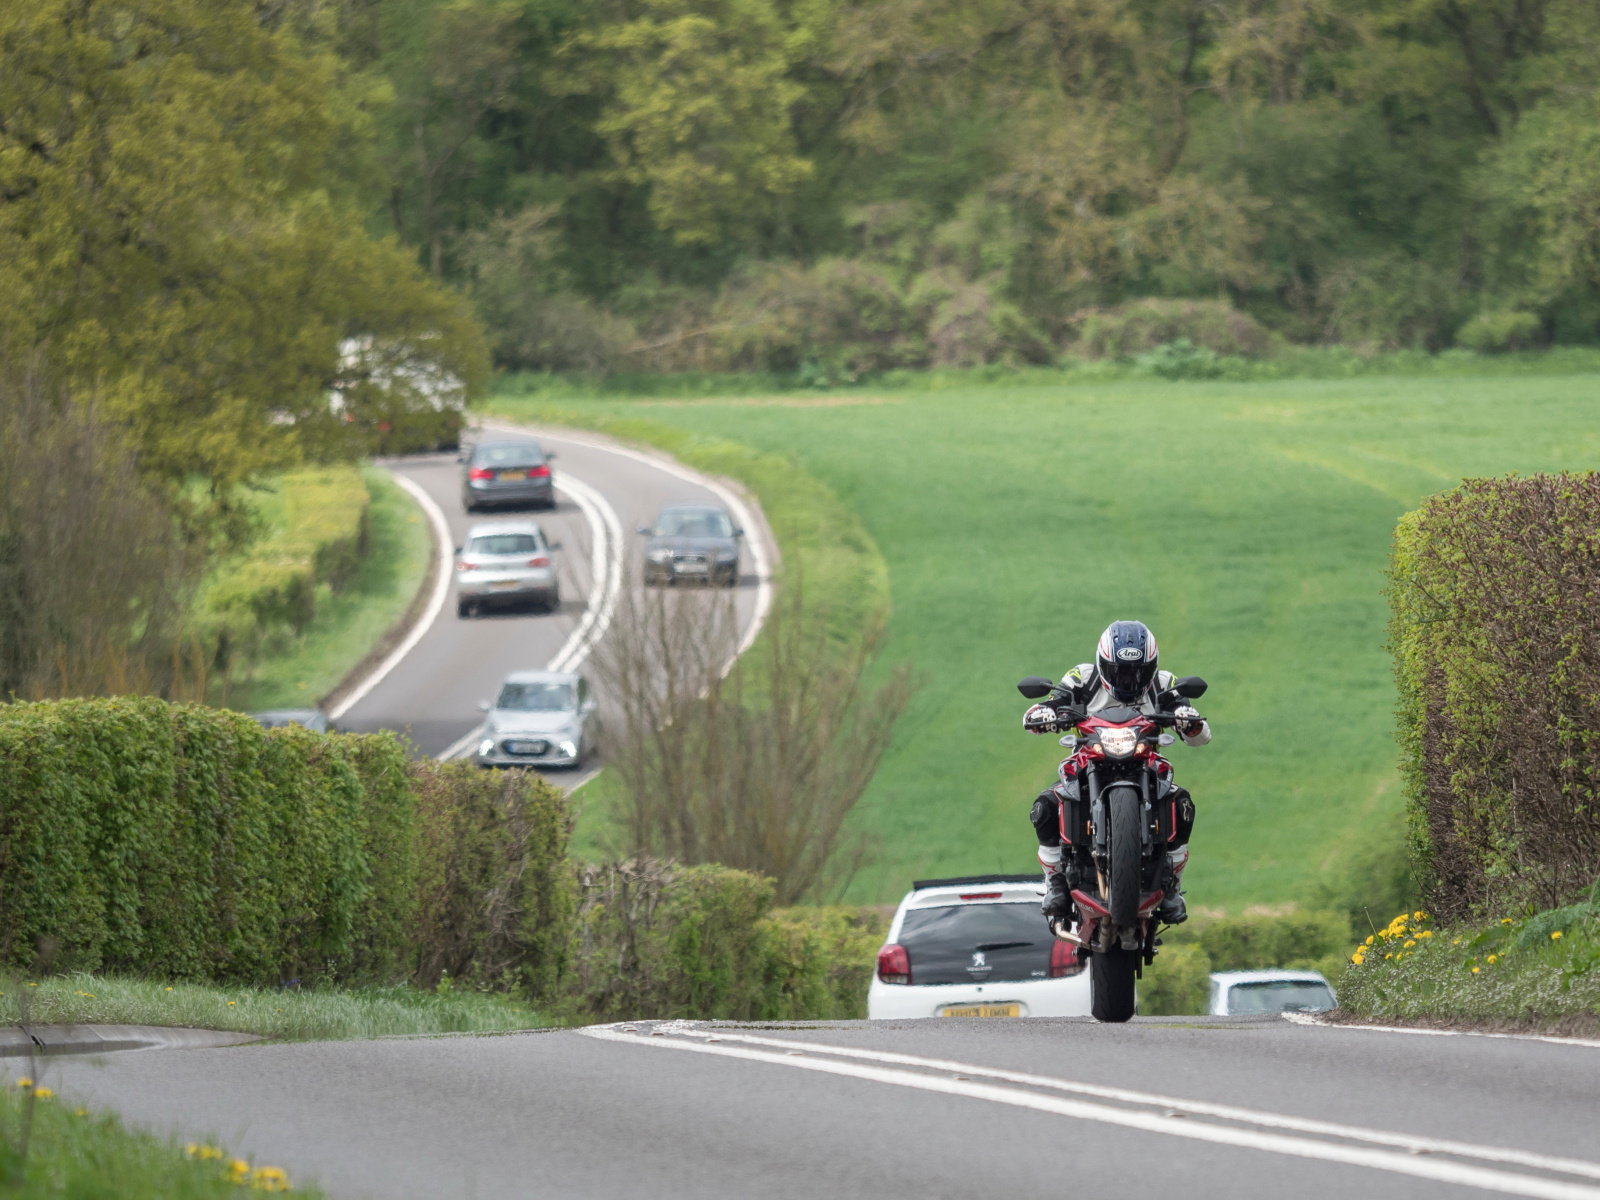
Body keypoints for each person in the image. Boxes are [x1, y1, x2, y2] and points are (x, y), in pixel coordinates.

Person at [1021, 619, 1210, 925]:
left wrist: (1189, 720)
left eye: (1137, 672)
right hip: (1087, 765)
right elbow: (1040, 710)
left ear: (1151, 666)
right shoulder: (1082, 676)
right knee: (1044, 807)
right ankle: (1055, 882)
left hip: (1145, 765)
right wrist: (1046, 714)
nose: (1129, 678)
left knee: (1183, 805)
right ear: (1104, 663)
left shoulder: (1164, 682)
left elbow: (1201, 735)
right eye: (1120, 670)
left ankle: (1172, 885)